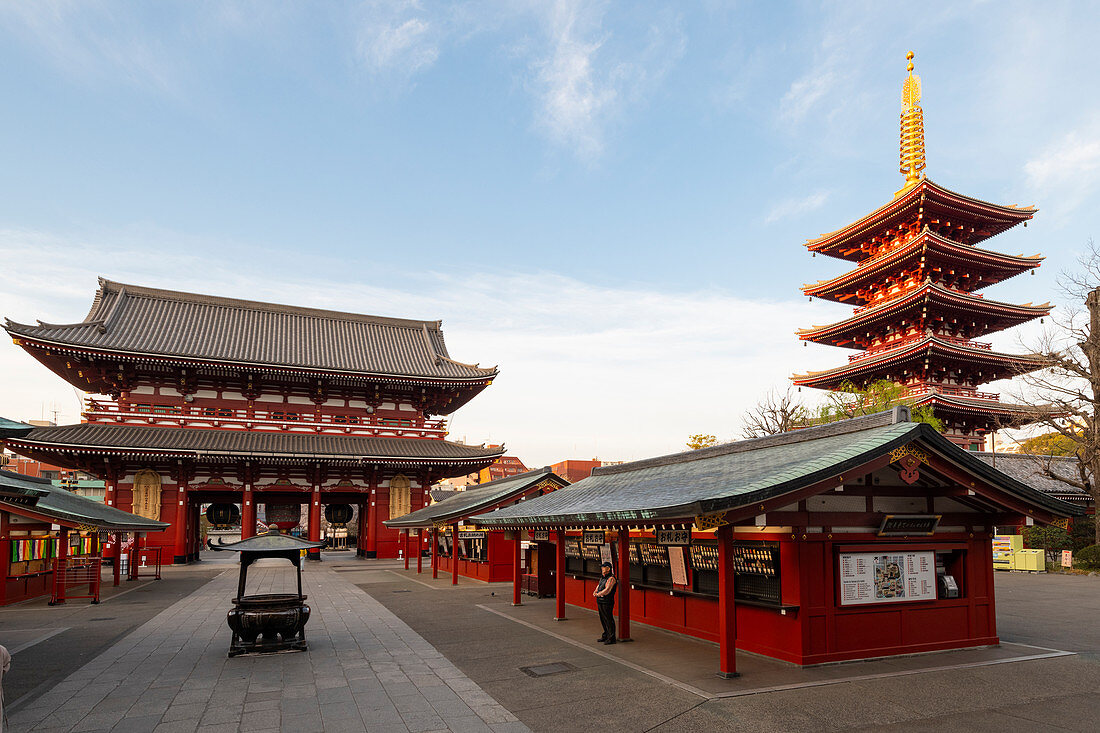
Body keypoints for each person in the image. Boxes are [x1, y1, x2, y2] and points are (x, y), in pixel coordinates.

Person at [593, 561, 617, 644]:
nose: (602, 568)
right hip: (600, 600)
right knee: (602, 619)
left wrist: (598, 594)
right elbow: (598, 586)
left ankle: (611, 637)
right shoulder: (602, 578)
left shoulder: (611, 578)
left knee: (608, 619)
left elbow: (607, 590)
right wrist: (595, 592)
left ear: (608, 569)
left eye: (604, 567)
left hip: (607, 601)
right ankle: (605, 635)